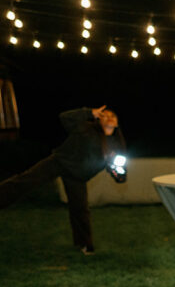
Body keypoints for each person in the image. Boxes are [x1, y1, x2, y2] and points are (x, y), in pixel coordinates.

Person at [0, 105, 125, 254]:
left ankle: (84, 244)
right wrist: (89, 112)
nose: (110, 117)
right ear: (99, 118)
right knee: (25, 180)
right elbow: (64, 117)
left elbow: (119, 174)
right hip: (59, 162)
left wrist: (118, 172)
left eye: (113, 116)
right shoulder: (86, 127)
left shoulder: (116, 146)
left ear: (117, 124)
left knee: (81, 209)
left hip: (77, 176)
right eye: (106, 115)